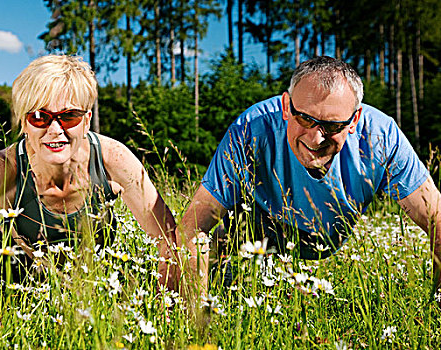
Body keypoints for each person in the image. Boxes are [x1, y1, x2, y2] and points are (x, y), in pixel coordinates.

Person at [0, 55, 176, 320]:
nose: (55, 129)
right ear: (24, 122)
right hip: (15, 315)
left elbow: (170, 241)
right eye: (40, 117)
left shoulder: (113, 160)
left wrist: (162, 316)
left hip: (96, 305)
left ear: (86, 120)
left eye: (69, 117)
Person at [177, 56, 441, 294]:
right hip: (257, 220)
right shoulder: (250, 129)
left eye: (333, 125)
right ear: (286, 106)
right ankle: (229, 280)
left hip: (326, 236)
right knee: (209, 243)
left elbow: (438, 222)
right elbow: (188, 230)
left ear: (354, 119)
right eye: (304, 119)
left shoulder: (381, 138)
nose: (315, 138)